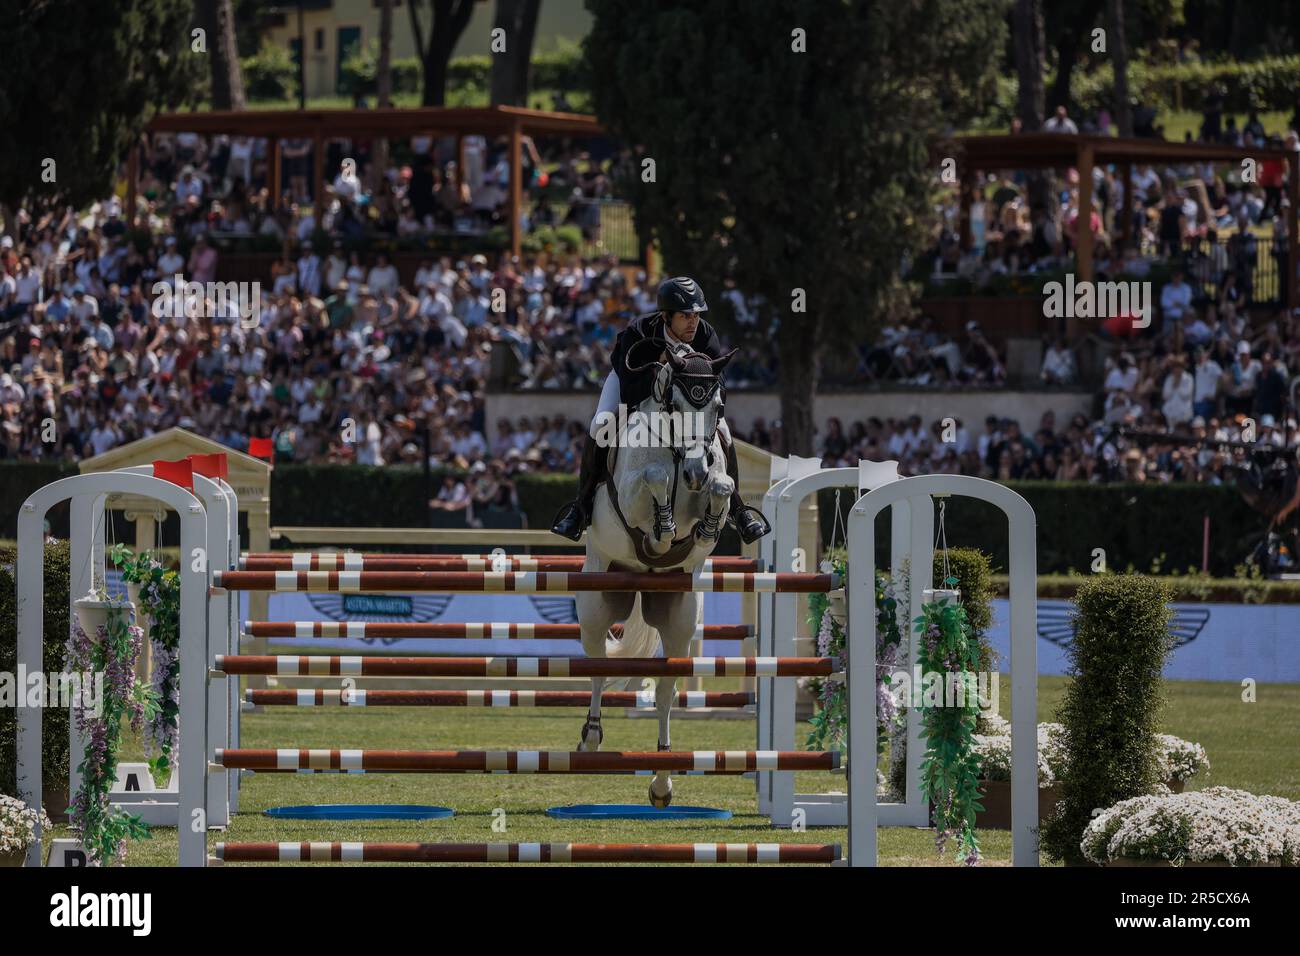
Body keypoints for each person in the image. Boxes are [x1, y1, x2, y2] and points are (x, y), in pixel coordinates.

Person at [550, 276, 770, 544]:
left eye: (696, 315)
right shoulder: (638, 332)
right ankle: (581, 507)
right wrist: (660, 364)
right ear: (666, 317)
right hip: (630, 384)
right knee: (602, 423)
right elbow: (631, 388)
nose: (693, 322)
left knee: (724, 431)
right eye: (685, 316)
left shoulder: (705, 335)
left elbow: (717, 386)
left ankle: (737, 508)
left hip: (683, 401)